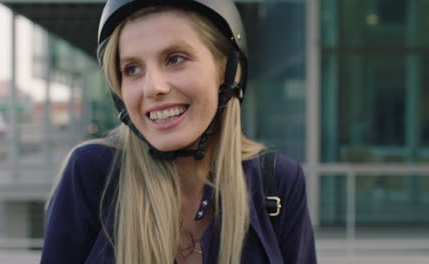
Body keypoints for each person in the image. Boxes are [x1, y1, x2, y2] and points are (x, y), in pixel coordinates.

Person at [40, 0, 317, 263]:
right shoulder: (92, 172)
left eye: (175, 59)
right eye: (132, 69)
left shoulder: (278, 182)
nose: (153, 87)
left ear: (230, 72)